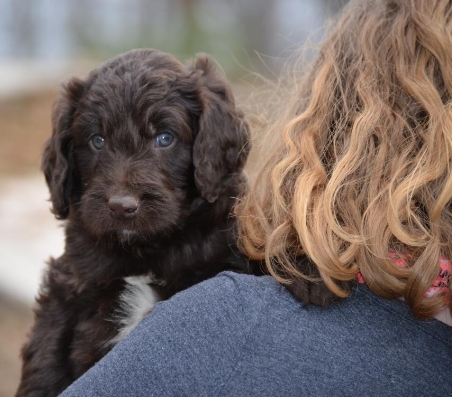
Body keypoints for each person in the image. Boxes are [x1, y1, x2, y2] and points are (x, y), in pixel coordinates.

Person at [59, 0, 452, 395]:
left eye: (164, 139)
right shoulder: (83, 271)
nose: (122, 190)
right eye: (98, 141)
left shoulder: (234, 290)